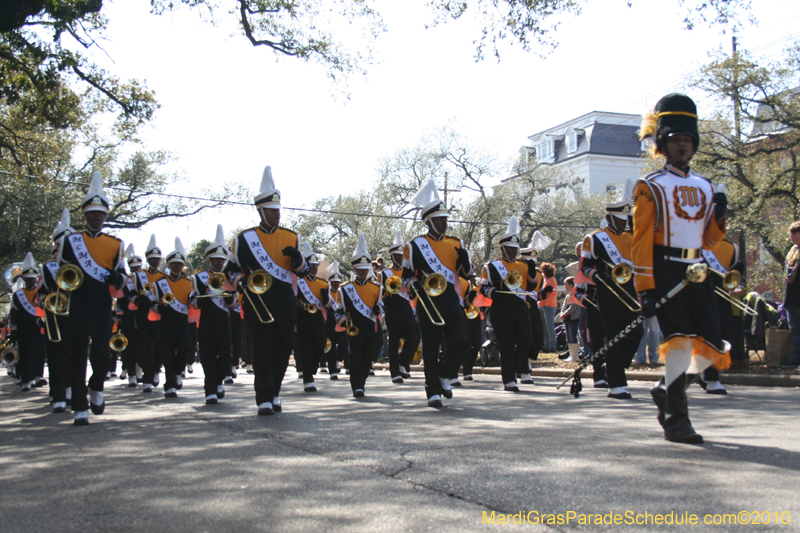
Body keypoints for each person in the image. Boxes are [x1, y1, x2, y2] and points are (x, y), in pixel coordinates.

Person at [633, 93, 730, 444]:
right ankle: (676, 419)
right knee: (678, 346)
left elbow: (711, 239)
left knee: (711, 346)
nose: (682, 146)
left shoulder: (705, 185)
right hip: (665, 268)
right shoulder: (651, 187)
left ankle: (665, 390)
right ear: (663, 144)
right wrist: (644, 288)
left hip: (698, 269)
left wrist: (720, 214)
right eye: (675, 140)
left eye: (687, 141)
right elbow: (641, 241)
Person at [232, 166, 309, 416]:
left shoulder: (292, 237)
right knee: (263, 347)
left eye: (278, 210)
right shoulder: (244, 239)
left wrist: (298, 259)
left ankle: (274, 391)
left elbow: (304, 272)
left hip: (285, 299)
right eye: (272, 211)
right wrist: (240, 283)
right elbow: (231, 271)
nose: (277, 215)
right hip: (257, 300)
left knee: (282, 347)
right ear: (261, 211)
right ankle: (263, 397)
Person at [58, 171, 126, 425]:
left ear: (105, 215)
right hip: (77, 301)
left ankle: (96, 385)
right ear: (84, 214)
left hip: (101, 303)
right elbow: (63, 272)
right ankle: (79, 406)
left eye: (100, 213)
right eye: (91, 213)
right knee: (75, 354)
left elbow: (121, 276)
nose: (96, 216)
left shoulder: (115, 244)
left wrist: (115, 278)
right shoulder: (71, 241)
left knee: (101, 353)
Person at [404, 179, 472, 407]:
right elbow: (406, 274)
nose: (445, 222)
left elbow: (466, 273)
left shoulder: (456, 243)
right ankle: (432, 390)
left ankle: (445, 373)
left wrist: (465, 261)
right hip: (426, 300)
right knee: (431, 347)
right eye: (440, 219)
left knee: (461, 340)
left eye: (445, 218)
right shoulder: (415, 245)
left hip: (451, 298)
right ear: (429, 221)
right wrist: (413, 285)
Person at [580, 184, 643, 399]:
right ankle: (616, 384)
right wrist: (597, 276)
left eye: (626, 217)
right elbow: (585, 267)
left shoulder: (632, 237)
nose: (624, 221)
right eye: (620, 217)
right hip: (607, 291)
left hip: (629, 289)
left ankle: (613, 366)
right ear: (610, 217)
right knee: (614, 335)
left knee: (637, 332)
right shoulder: (595, 238)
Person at [479, 216, 534, 391]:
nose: (513, 251)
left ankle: (519, 368)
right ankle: (509, 380)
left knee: (526, 340)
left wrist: (532, 271)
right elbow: (483, 287)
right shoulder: (492, 266)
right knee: (506, 345)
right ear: (502, 248)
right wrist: (492, 292)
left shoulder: (523, 266)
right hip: (501, 309)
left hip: (520, 308)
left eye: (515, 248)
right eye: (510, 248)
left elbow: (531, 287)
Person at [193, 226, 235, 404]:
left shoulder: (229, 278)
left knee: (225, 353)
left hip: (224, 320)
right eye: (216, 260)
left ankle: (218, 381)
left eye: (222, 260)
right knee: (208, 354)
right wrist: (202, 294)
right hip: (207, 320)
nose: (219, 263)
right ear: (209, 260)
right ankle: (210, 389)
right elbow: (193, 302)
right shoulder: (199, 277)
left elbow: (234, 304)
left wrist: (228, 298)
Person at [40, 209, 75, 410]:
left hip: (75, 315)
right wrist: (47, 299)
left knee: (73, 354)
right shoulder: (47, 268)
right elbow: (39, 293)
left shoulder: (79, 266)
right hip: (54, 317)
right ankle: (59, 395)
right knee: (55, 356)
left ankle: (70, 390)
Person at [341, 234, 383, 398]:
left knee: (367, 357)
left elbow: (380, 305)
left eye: (366, 268)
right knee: (356, 357)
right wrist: (345, 318)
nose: (364, 271)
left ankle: (362, 379)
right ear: (354, 269)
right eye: (360, 269)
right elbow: (339, 309)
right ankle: (357, 386)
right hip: (354, 328)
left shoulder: (376, 288)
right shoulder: (345, 289)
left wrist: (378, 309)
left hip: (369, 328)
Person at [153, 238, 194, 398]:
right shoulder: (160, 283)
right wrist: (161, 307)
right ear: (168, 265)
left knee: (184, 349)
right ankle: (169, 384)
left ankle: (178, 372)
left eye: (179, 264)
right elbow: (152, 304)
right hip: (166, 322)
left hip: (183, 322)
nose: (177, 266)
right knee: (167, 353)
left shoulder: (189, 282)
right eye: (174, 264)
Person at [381, 230, 418, 383]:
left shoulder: (408, 271)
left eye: (401, 255)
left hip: (406, 309)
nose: (399, 258)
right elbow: (380, 293)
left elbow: (413, 291)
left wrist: (412, 292)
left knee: (414, 338)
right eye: (396, 256)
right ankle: (395, 372)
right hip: (392, 310)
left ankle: (403, 362)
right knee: (394, 341)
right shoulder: (384, 273)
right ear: (391, 256)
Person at [295, 241, 331, 393]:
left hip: (317, 318)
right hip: (302, 318)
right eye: (311, 266)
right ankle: (308, 380)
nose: (315, 268)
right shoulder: (298, 282)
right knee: (305, 348)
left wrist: (325, 298)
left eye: (316, 266)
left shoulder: (323, 283)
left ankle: (311, 369)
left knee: (320, 345)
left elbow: (329, 305)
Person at [8, 253, 46, 393]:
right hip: (24, 329)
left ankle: (37, 376)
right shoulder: (18, 295)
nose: (31, 282)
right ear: (24, 279)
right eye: (28, 279)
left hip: (39, 327)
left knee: (39, 352)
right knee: (24, 354)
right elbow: (14, 314)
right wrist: (14, 331)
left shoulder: (41, 293)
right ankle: (26, 379)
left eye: (33, 279)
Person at [134, 235, 167, 392]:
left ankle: (156, 369)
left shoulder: (164, 277)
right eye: (152, 259)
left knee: (159, 345)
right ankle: (147, 377)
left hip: (160, 316)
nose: (155, 261)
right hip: (143, 315)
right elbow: (129, 293)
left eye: (157, 259)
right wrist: (136, 299)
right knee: (145, 346)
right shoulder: (138, 276)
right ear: (147, 259)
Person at [519, 231, 550, 362]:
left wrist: (545, 292)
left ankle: (529, 360)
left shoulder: (539, 274)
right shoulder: (518, 270)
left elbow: (538, 296)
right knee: (523, 337)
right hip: (520, 306)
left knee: (538, 336)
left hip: (533, 308)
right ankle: (521, 362)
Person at [325, 261, 346, 379]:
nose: (336, 284)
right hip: (329, 322)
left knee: (343, 342)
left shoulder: (342, 292)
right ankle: (332, 370)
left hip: (340, 321)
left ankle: (339, 359)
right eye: (334, 282)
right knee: (331, 346)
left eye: (338, 282)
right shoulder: (327, 292)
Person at [784, 221, 800, 367]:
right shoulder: (792, 252)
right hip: (792, 297)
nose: (791, 237)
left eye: (794, 234)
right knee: (795, 330)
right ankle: (795, 359)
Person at [560, 277, 582, 364]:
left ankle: (575, 356)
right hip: (567, 320)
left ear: (572, 285)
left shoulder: (576, 295)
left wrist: (564, 314)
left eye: (566, 284)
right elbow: (564, 306)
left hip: (573, 319)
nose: (565, 286)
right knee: (568, 337)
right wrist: (562, 314)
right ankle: (571, 354)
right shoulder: (568, 296)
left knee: (573, 336)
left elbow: (573, 307)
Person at [537, 262, 558, 352]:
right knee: (544, 328)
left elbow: (552, 293)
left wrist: (545, 302)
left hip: (549, 305)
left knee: (550, 327)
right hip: (542, 305)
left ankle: (553, 346)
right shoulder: (545, 279)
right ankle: (546, 345)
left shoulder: (552, 279)